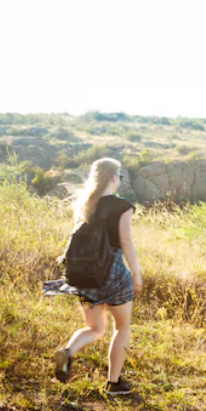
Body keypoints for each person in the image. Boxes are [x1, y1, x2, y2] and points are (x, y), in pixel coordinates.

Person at [52, 158, 142, 395]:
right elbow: (125, 241)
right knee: (121, 327)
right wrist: (136, 272)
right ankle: (114, 383)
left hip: (84, 275)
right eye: (119, 176)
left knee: (94, 327)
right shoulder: (122, 206)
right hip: (113, 272)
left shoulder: (84, 203)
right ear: (113, 177)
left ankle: (69, 352)